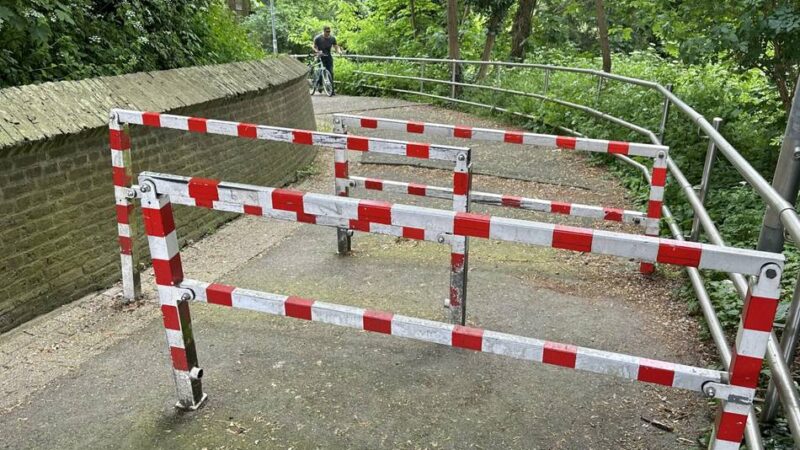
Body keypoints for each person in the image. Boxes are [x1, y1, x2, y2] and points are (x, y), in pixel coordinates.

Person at [312, 26, 343, 95]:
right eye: (327, 31)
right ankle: (319, 85)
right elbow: (313, 46)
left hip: (328, 56)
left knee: (330, 72)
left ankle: (332, 90)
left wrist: (339, 51)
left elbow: (336, 46)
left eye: (329, 31)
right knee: (321, 71)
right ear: (324, 31)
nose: (328, 33)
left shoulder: (332, 38)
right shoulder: (318, 38)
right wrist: (317, 51)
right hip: (320, 56)